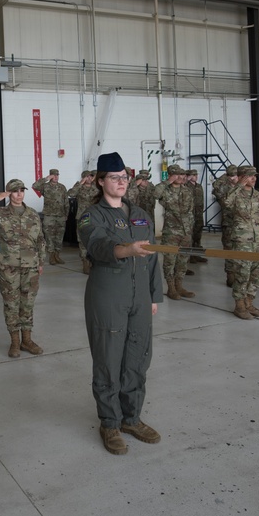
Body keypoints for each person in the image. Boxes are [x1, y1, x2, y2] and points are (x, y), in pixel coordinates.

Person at [78, 152, 162, 455]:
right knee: (108, 360)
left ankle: (131, 417)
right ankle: (110, 423)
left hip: (140, 296)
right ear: (101, 181)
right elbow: (98, 245)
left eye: (124, 177)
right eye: (115, 177)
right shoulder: (92, 215)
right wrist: (127, 249)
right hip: (108, 295)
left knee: (138, 358)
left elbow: (152, 257)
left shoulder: (140, 213)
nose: (121, 182)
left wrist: (154, 295)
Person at [0, 179, 46, 358]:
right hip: (8, 267)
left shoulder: (33, 214)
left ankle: (26, 340)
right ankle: (14, 342)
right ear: (8, 193)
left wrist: (41, 261)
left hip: (31, 267)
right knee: (11, 305)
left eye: (21, 190)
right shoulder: (0, 213)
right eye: (15, 191)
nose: (19, 194)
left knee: (27, 304)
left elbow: (40, 239)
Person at [222, 166, 259, 319]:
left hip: (258, 239)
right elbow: (227, 203)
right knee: (242, 273)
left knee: (258, 273)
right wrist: (239, 185)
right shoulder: (235, 194)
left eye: (254, 176)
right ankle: (239, 305)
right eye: (249, 176)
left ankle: (249, 301)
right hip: (242, 240)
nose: (253, 179)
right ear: (241, 177)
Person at [153, 165, 194, 300]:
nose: (181, 177)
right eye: (178, 175)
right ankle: (171, 288)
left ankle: (179, 286)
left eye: (183, 175)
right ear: (171, 175)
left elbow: (190, 210)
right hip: (171, 231)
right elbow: (155, 194)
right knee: (170, 260)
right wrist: (167, 182)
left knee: (183, 259)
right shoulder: (166, 190)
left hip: (186, 230)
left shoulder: (187, 190)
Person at [32, 168, 69, 264]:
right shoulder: (45, 186)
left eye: (57, 175)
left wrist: (66, 214)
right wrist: (46, 178)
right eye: (54, 175)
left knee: (59, 236)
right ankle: (51, 256)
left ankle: (57, 255)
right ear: (51, 176)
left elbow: (66, 202)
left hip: (61, 215)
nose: (56, 177)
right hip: (49, 215)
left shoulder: (62, 187)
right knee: (49, 236)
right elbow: (34, 186)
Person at [212, 165, 239, 286]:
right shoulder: (223, 189)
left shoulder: (243, 188)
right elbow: (216, 187)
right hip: (229, 223)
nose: (234, 178)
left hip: (242, 225)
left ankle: (240, 275)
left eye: (236, 175)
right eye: (232, 175)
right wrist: (226, 177)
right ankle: (231, 276)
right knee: (229, 250)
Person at [68, 170, 97, 273]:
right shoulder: (79, 188)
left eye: (91, 176)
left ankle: (94, 261)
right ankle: (85, 262)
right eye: (87, 177)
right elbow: (71, 193)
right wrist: (80, 183)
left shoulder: (96, 187)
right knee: (83, 240)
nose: (89, 178)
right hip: (83, 217)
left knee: (95, 238)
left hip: (95, 217)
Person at [186, 169, 208, 263]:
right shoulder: (185, 186)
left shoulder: (199, 186)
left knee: (197, 236)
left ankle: (197, 254)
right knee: (190, 237)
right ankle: (190, 257)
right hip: (190, 215)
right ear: (189, 176)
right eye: (193, 175)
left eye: (196, 174)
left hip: (199, 214)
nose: (195, 176)